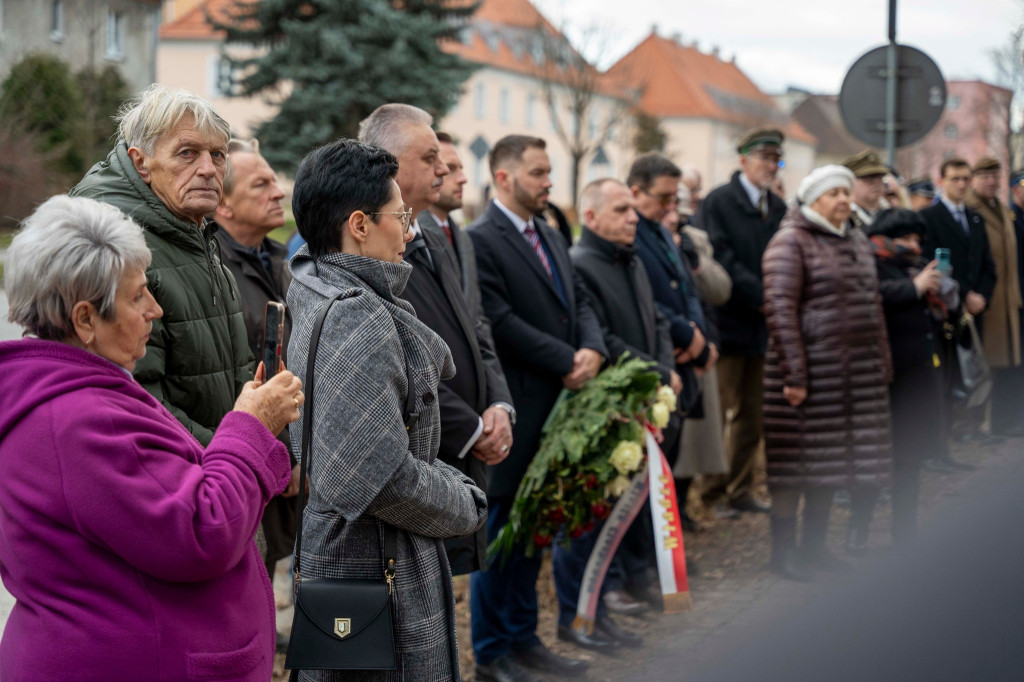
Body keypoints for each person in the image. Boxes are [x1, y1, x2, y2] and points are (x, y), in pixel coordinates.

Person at [0, 195, 302, 681]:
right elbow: (204, 531)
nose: (155, 309)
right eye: (138, 295)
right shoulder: (86, 419)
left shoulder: (65, 395)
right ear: (85, 320)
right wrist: (252, 425)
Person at [286, 139, 487, 682]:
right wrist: (463, 502)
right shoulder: (358, 318)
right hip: (374, 566)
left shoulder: (315, 282)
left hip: (359, 558)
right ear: (358, 225)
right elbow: (375, 477)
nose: (409, 229)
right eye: (400, 216)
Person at [468, 135, 607, 682]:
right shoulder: (482, 240)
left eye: (550, 172)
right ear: (504, 178)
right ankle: (492, 651)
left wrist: (592, 347)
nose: (549, 181)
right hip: (518, 406)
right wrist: (565, 357)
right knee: (501, 537)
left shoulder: (550, 232)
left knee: (536, 532)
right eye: (538, 172)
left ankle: (526, 640)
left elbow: (582, 298)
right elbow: (499, 320)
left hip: (559, 407)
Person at [358, 106, 513, 576]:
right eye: (429, 158)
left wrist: (499, 406)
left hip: (465, 450)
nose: (444, 168)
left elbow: (474, 330)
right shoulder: (363, 249)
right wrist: (472, 429)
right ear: (387, 162)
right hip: (421, 463)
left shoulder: (434, 239)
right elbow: (399, 361)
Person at [69, 85, 252, 446]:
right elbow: (139, 399)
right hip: (178, 480)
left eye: (218, 154)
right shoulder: (119, 250)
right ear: (141, 163)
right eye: (187, 153)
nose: (208, 169)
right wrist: (241, 453)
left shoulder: (192, 233)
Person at [562, 177, 681, 650]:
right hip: (607, 409)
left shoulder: (630, 259)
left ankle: (599, 608)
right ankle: (586, 609)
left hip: (646, 398)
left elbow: (657, 321)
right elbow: (604, 339)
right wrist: (655, 370)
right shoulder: (582, 264)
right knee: (592, 514)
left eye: (633, 208)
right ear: (591, 218)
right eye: (620, 210)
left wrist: (665, 369)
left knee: (618, 511)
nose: (633, 217)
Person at [762, 165, 893, 581]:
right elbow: (780, 311)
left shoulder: (853, 238)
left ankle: (814, 548)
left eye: (846, 191)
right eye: (832, 192)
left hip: (851, 376)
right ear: (812, 199)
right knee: (792, 467)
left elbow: (873, 306)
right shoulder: (790, 242)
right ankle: (783, 555)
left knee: (828, 463)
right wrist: (796, 375)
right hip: (807, 376)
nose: (843, 199)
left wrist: (881, 361)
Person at [213, 138, 301, 590]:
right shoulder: (213, 270)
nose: (278, 192)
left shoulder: (286, 261)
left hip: (286, 460)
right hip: (243, 459)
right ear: (223, 205)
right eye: (260, 184)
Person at [698, 128, 786, 517]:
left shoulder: (779, 208)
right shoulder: (720, 202)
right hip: (729, 323)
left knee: (755, 413)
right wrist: (764, 295)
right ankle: (713, 493)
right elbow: (720, 258)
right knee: (721, 412)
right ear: (743, 160)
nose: (770, 166)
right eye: (764, 158)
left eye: (776, 159)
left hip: (762, 329)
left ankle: (741, 487)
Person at [847, 209, 947, 549]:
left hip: (917, 369)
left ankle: (905, 529)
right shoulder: (868, 260)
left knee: (911, 454)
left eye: (917, 239)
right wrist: (913, 287)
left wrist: (940, 292)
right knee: (874, 455)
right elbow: (870, 296)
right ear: (887, 237)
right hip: (883, 373)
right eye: (906, 238)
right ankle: (857, 530)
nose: (913, 245)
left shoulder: (915, 265)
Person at [921, 158, 997, 452]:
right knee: (947, 373)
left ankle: (967, 427)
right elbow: (933, 263)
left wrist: (982, 297)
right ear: (941, 181)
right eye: (955, 179)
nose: (962, 184)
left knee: (973, 371)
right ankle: (941, 440)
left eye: (966, 178)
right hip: (946, 308)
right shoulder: (930, 217)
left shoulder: (975, 218)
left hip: (974, 309)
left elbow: (988, 265)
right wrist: (965, 294)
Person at [966, 157, 1022, 437]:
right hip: (986, 299)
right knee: (985, 365)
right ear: (973, 179)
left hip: (1008, 299)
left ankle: (1006, 421)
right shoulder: (970, 209)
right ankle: (979, 425)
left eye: (995, 176)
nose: (991, 181)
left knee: (1010, 361)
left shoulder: (1001, 210)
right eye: (985, 175)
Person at [843, 150, 890, 229]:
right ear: (851, 182)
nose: (876, 183)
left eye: (880, 177)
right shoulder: (844, 217)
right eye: (869, 178)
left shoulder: (889, 213)